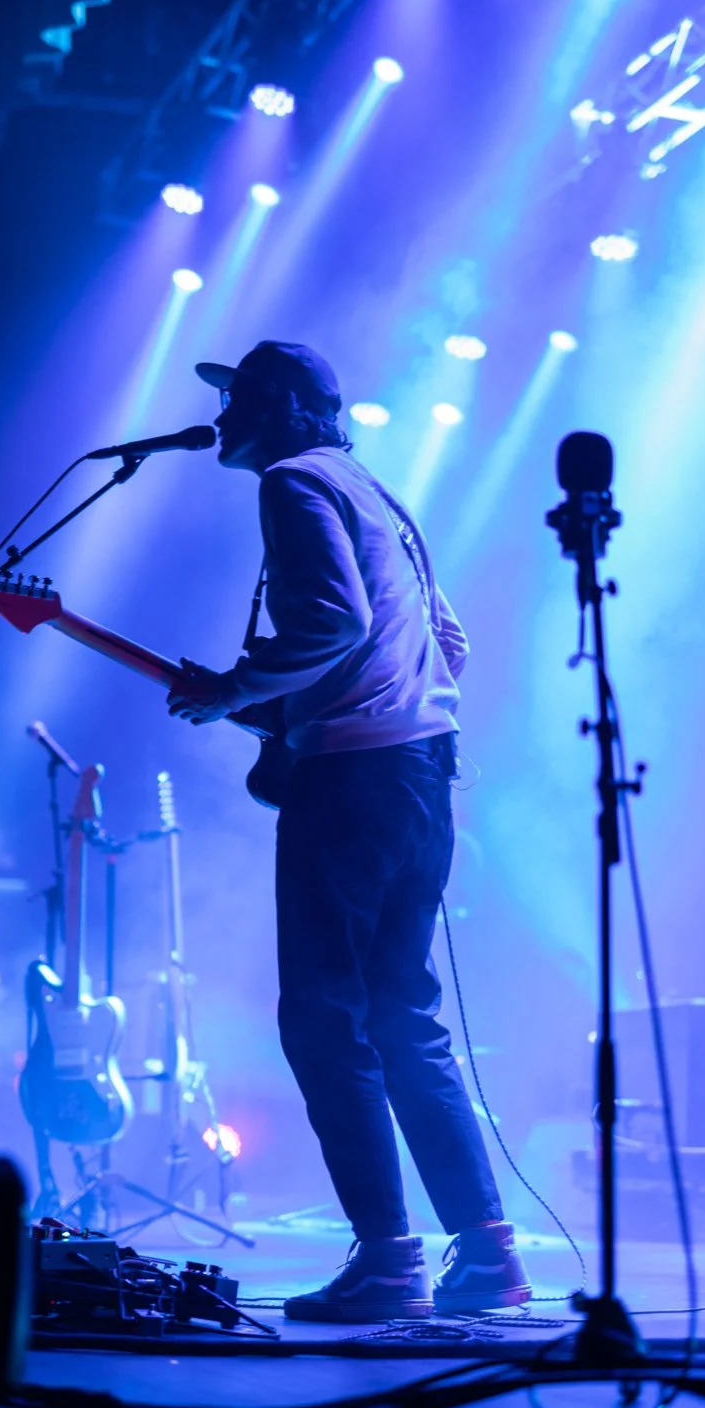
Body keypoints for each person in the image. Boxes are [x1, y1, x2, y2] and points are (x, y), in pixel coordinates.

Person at [168, 342, 531, 1321]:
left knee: (324, 1017)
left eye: (240, 396)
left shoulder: (291, 482)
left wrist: (238, 691)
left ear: (287, 405)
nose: (224, 414)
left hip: (353, 781)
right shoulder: (374, 492)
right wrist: (361, 704)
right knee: (401, 1014)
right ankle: (487, 1253)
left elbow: (332, 621)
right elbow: (446, 641)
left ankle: (387, 1260)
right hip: (421, 773)